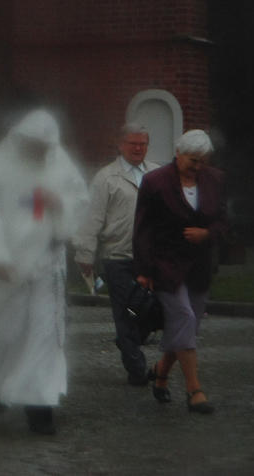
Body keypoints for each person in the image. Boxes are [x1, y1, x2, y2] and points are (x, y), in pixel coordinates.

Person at [0, 109, 88, 435]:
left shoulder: (59, 162)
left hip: (48, 263)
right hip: (11, 263)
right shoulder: (1, 165)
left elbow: (79, 198)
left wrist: (59, 204)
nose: (39, 153)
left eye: (44, 147)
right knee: (8, 331)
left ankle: (40, 406)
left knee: (45, 333)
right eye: (34, 146)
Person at [133, 129, 227, 415]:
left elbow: (224, 220)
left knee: (188, 326)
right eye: (192, 160)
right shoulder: (155, 182)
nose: (197, 167)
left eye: (202, 161)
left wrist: (207, 234)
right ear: (178, 153)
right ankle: (194, 390)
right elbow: (143, 229)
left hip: (198, 266)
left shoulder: (215, 180)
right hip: (166, 264)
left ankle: (161, 373)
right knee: (184, 317)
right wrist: (144, 269)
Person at [73, 122, 160, 386]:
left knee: (153, 309)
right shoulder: (106, 178)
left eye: (143, 144)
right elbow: (92, 217)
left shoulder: (157, 174)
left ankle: (128, 340)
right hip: (117, 256)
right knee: (125, 312)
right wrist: (85, 253)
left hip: (150, 257)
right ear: (121, 145)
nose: (138, 148)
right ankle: (137, 370)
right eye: (133, 143)